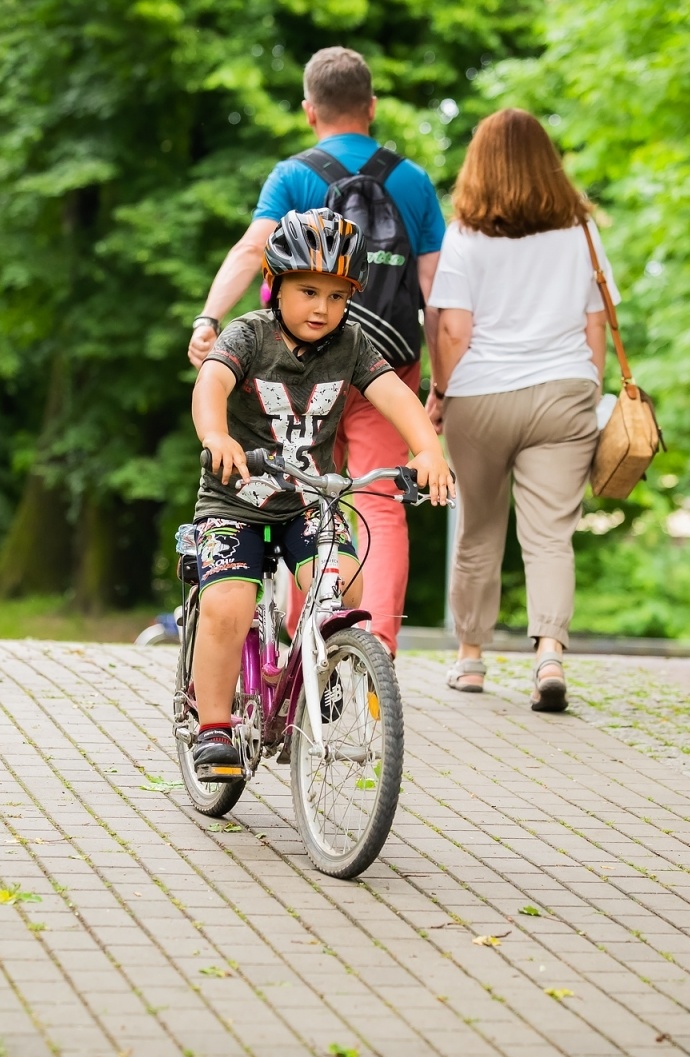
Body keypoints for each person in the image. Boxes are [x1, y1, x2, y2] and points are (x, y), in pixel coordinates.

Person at [187, 46, 446, 655]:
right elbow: (435, 289)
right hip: (393, 358)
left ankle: (316, 645)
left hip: (301, 368)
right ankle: (369, 643)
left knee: (304, 487)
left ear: (310, 111)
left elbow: (252, 250)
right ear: (372, 107)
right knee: (377, 503)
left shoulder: (294, 173)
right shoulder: (412, 181)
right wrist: (439, 386)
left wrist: (209, 317)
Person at [189, 209, 453, 777]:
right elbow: (211, 381)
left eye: (338, 296)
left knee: (345, 582)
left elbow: (394, 395)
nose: (322, 309)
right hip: (236, 500)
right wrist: (216, 436)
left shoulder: (352, 345)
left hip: (311, 501)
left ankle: (318, 662)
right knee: (227, 606)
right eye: (308, 292)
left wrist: (427, 449)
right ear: (276, 284)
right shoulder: (248, 335)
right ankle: (213, 727)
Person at [427, 109, 618, 712]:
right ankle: (550, 655)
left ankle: (471, 660)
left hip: (480, 395)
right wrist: (589, 388)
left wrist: (440, 393)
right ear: (547, 161)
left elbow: (454, 329)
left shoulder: (464, 235)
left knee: (480, 530)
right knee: (550, 537)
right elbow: (598, 329)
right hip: (564, 393)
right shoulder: (581, 231)